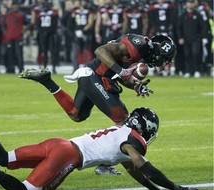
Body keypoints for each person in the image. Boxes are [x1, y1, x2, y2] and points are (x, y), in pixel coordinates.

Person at [0, 107, 201, 190]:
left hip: (59, 143)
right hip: (68, 156)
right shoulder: (133, 142)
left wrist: (154, 189)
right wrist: (175, 186)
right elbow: (143, 165)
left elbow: (134, 169)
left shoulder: (120, 132)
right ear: (145, 129)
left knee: (7, 158)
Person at [19, 33, 176, 175]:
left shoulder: (143, 52)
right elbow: (101, 51)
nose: (163, 64)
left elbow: (121, 74)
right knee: (123, 121)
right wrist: (122, 72)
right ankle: (105, 164)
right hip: (95, 76)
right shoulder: (138, 45)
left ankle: (47, 81)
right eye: (164, 59)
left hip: (95, 76)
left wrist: (136, 85)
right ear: (158, 51)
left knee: (76, 114)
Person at [176, 0, 206, 78]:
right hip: (186, 39)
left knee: (195, 54)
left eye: (192, 2)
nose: (190, 4)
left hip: (196, 38)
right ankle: (188, 71)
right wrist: (180, 37)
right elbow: (179, 28)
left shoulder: (198, 15)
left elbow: (203, 27)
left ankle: (197, 70)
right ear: (186, 4)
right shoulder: (182, 16)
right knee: (187, 55)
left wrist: (203, 37)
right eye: (189, 2)